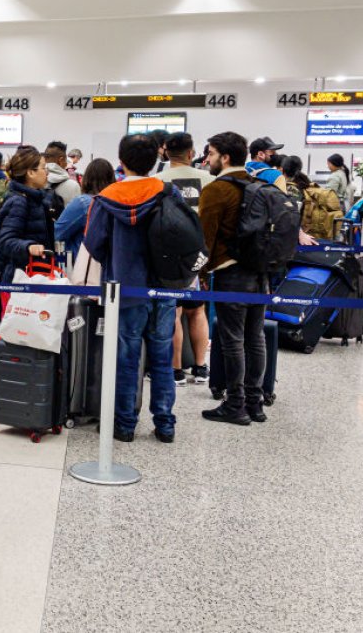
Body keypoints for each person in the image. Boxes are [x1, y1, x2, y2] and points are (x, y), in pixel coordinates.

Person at [83, 134, 178, 443]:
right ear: (154, 160)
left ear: (120, 160)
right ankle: (165, 424)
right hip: (163, 288)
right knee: (162, 357)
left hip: (123, 289)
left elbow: (93, 243)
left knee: (126, 357)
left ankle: (124, 425)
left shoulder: (106, 197)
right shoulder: (166, 192)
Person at [198, 132, 267, 426]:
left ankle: (235, 404)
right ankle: (255, 402)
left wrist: (200, 272)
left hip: (231, 273)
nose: (208, 159)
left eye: (211, 154)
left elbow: (205, 238)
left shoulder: (217, 190)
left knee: (232, 340)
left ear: (225, 157)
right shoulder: (258, 186)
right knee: (256, 337)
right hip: (261, 272)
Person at [155, 132, 215, 386]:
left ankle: (176, 370)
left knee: (174, 311)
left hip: (167, 256)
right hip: (200, 256)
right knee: (197, 310)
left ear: (166, 153)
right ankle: (201, 367)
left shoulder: (156, 180)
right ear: (191, 153)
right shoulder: (209, 180)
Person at [0, 147, 55, 301]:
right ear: (30, 173)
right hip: (19, 280)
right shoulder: (19, 202)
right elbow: (5, 241)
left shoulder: (36, 199)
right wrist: (29, 246)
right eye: (43, 168)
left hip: (33, 276)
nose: (46, 172)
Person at [56, 158, 114, 262]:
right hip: (108, 265)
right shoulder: (115, 202)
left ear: (87, 178)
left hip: (82, 266)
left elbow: (57, 233)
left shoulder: (83, 203)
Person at [283, 155, 341, 240]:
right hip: (311, 236)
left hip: (298, 237)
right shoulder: (306, 184)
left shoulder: (291, 189)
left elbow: (292, 215)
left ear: (282, 170)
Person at [44, 140, 82, 215]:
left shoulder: (34, 182)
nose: (66, 164)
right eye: (65, 161)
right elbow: (77, 215)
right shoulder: (73, 186)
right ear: (60, 160)